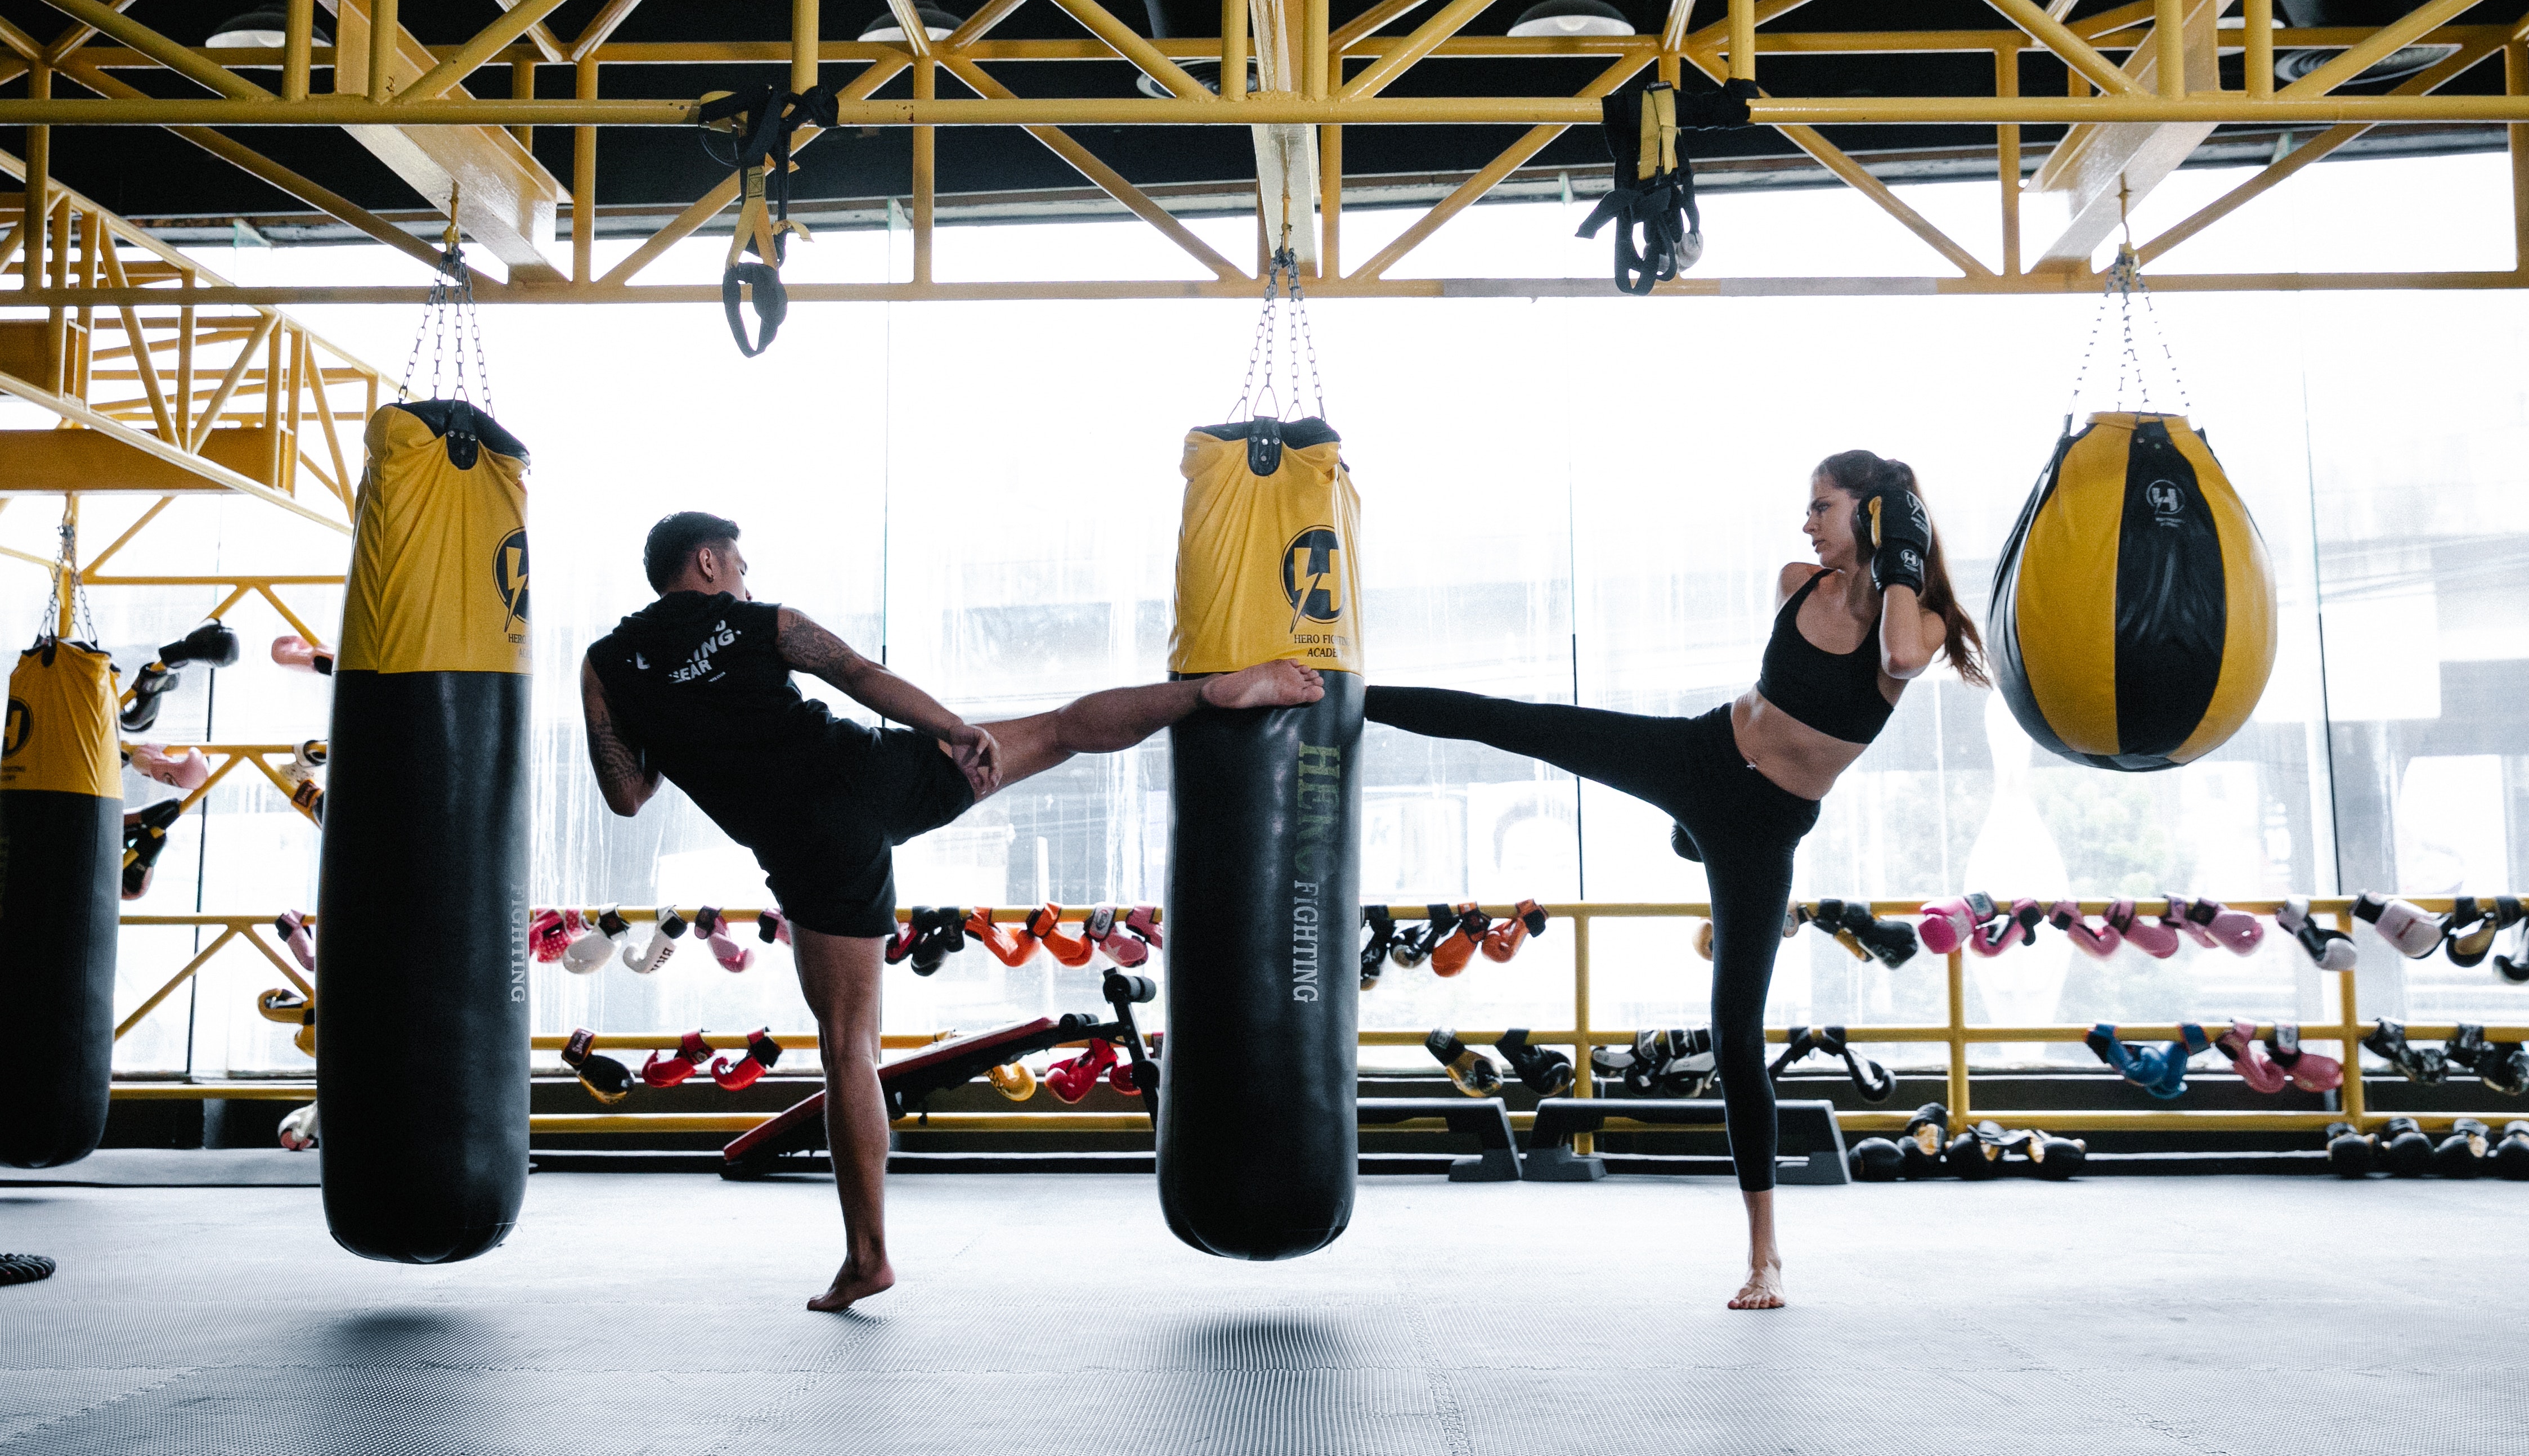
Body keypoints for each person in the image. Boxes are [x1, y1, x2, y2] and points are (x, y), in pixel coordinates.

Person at [579, 511, 1322, 1313]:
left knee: (848, 1050)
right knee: (1062, 729)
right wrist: (953, 730)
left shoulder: (605, 666)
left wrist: (670, 730)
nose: (747, 577)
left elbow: (625, 796)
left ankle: (867, 1259)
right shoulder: (760, 621)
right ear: (708, 562)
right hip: (872, 776)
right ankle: (1210, 695)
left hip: (808, 846)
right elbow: (859, 675)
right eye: (740, 563)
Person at [1362, 452, 1987, 1310]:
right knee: (1522, 724)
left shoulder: (1919, 621)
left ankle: (1764, 1258)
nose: (1805, 525)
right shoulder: (1798, 581)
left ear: (1876, 514)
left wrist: (1904, 558)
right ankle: (1338, 695)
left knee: (1734, 1037)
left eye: (1822, 506)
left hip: (1758, 827)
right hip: (1697, 757)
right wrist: (1884, 547)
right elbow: (1821, 644)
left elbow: (1901, 660)